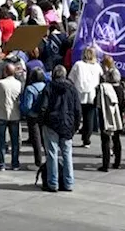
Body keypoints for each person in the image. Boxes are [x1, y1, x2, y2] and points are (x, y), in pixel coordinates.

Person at [40, 64, 81, 192]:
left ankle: (53, 183)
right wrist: (76, 125)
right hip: (67, 123)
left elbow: (43, 106)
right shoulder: (72, 89)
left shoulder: (49, 87)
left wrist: (42, 121)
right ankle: (69, 183)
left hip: (52, 123)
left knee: (52, 154)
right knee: (67, 154)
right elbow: (77, 109)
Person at [0, 62, 23, 171]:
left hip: (1, 114)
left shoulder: (0, 83)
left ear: (5, 71)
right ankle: (15, 163)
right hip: (15, 114)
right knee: (15, 141)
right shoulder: (19, 83)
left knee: (1, 141)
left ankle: (1, 163)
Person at [98, 56, 125, 171]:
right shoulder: (121, 88)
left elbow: (100, 104)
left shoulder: (105, 88)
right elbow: (124, 104)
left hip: (107, 117)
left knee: (105, 140)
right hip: (118, 116)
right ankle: (117, 162)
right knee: (116, 139)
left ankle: (105, 164)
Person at [69, 47, 100, 148]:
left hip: (79, 94)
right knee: (89, 118)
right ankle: (86, 140)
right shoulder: (97, 66)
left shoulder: (78, 65)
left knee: (76, 117)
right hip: (92, 95)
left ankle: (70, 136)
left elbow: (71, 78)